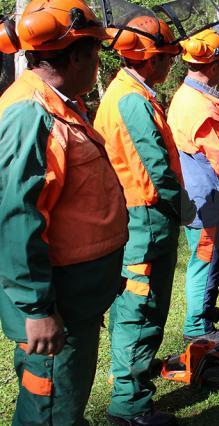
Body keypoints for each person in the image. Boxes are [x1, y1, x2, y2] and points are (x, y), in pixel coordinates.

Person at [0, 1, 128, 423]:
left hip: (75, 299)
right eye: (94, 54)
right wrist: (37, 311)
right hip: (58, 304)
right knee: (50, 407)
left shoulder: (58, 104)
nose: (97, 65)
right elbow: (16, 219)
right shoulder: (31, 114)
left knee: (60, 402)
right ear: (76, 56)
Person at [94, 13, 190, 425]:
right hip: (144, 219)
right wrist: (185, 207)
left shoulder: (131, 92)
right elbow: (156, 169)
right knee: (141, 307)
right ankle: (130, 406)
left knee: (138, 305)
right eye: (168, 57)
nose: (171, 65)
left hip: (140, 216)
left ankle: (135, 377)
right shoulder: (131, 99)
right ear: (150, 59)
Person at [167, 28, 219, 339]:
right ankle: (197, 329)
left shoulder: (188, 96)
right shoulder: (201, 107)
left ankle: (205, 312)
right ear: (215, 65)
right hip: (205, 200)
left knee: (210, 259)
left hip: (202, 196)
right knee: (206, 261)